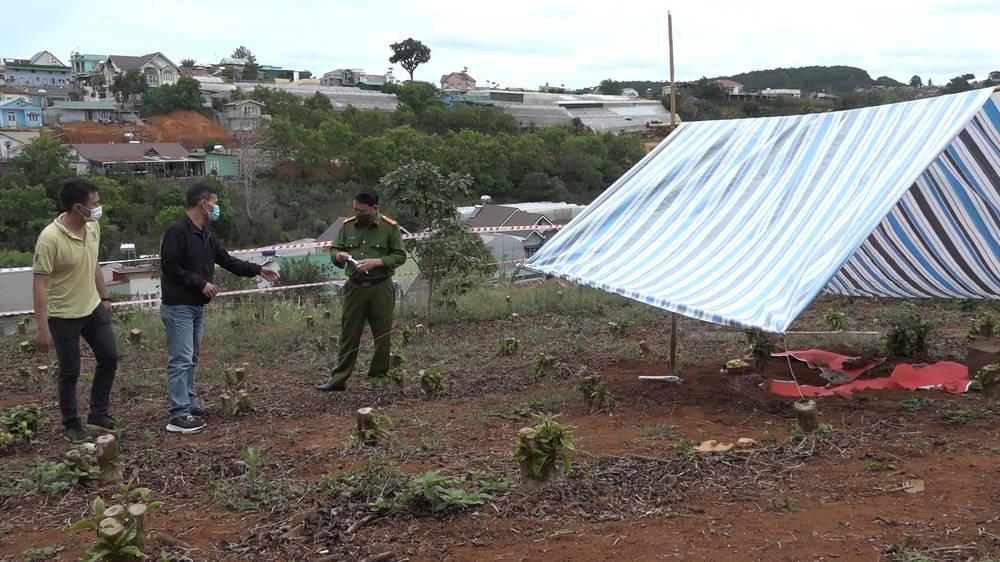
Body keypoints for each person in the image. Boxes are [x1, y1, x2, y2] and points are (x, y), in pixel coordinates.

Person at [159, 183, 278, 434]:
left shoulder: (206, 235)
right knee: (180, 360)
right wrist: (199, 282)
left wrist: (257, 269)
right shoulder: (178, 231)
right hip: (178, 306)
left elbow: (227, 260)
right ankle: (177, 414)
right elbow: (170, 266)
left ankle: (189, 404)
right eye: (216, 201)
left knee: (190, 358)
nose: (217, 207)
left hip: (196, 307)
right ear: (204, 203)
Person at [32, 178, 119, 443]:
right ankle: (72, 423)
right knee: (70, 371)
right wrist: (42, 328)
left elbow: (93, 262)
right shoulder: (49, 238)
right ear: (77, 207)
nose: (98, 207)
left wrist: (104, 296)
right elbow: (40, 283)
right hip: (63, 314)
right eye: (95, 203)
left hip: (91, 307)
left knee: (110, 357)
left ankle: (98, 413)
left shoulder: (93, 227)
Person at [316, 186, 406, 392]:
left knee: (382, 335)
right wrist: (337, 256)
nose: (357, 213)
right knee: (349, 334)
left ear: (375, 208)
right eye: (355, 209)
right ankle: (338, 379)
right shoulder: (347, 226)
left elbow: (400, 255)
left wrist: (378, 261)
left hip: (380, 288)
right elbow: (335, 249)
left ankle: (378, 378)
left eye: (362, 210)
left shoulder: (389, 228)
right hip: (354, 288)